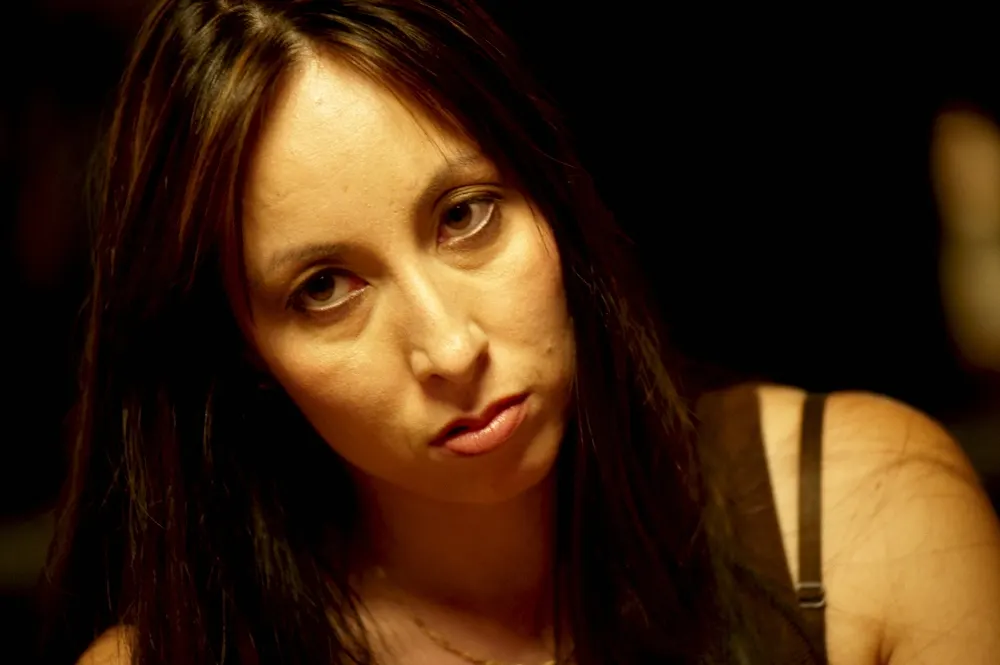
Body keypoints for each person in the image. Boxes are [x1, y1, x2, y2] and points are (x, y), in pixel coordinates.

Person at [42, 1, 1000, 664]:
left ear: (549, 195)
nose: (450, 348)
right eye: (325, 288)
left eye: (465, 216)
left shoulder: (866, 518)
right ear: (244, 350)